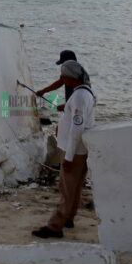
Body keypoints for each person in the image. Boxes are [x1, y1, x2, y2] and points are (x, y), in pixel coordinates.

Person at [32, 60, 96, 238]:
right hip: (80, 150)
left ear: (70, 77)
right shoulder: (85, 92)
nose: (61, 79)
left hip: (73, 151)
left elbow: (77, 128)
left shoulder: (78, 97)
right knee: (75, 187)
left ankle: (55, 226)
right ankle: (69, 217)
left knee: (67, 189)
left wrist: (68, 157)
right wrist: (66, 109)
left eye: (63, 76)